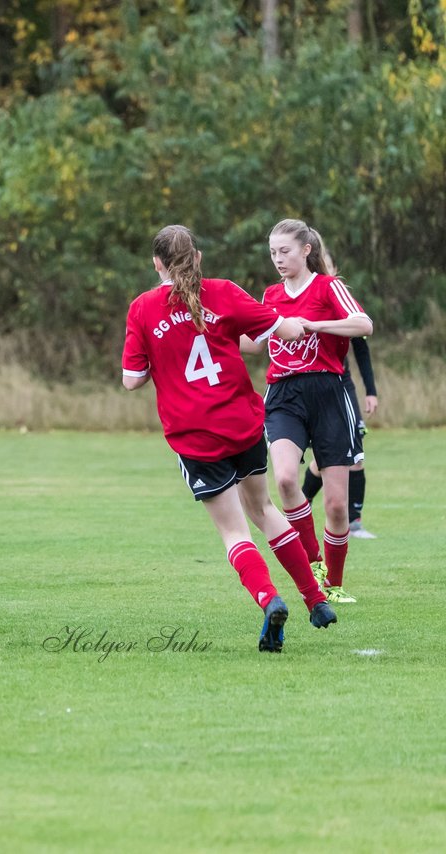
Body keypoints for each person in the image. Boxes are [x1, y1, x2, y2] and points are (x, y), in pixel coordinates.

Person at [122, 225, 336, 653]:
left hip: (195, 436)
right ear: (197, 258)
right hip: (243, 424)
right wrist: (298, 323)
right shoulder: (222, 292)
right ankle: (316, 599)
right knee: (264, 508)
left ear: (157, 264)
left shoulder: (143, 308)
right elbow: (276, 331)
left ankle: (269, 600)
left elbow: (131, 380)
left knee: (235, 534)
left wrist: (156, 364)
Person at [245, 219, 372, 605]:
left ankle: (334, 582)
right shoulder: (269, 296)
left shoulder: (329, 287)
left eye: (284, 251)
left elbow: (363, 324)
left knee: (336, 506)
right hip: (283, 394)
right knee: (284, 479)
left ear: (305, 249)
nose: (277, 259)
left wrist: (313, 325)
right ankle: (313, 561)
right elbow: (253, 342)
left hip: (330, 395)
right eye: (272, 253)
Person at [302, 336, 378, 537]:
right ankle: (301, 504)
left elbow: (361, 348)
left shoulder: (345, 308)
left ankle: (354, 522)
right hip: (312, 383)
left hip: (342, 383)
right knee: (323, 459)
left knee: (355, 456)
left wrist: (371, 391)